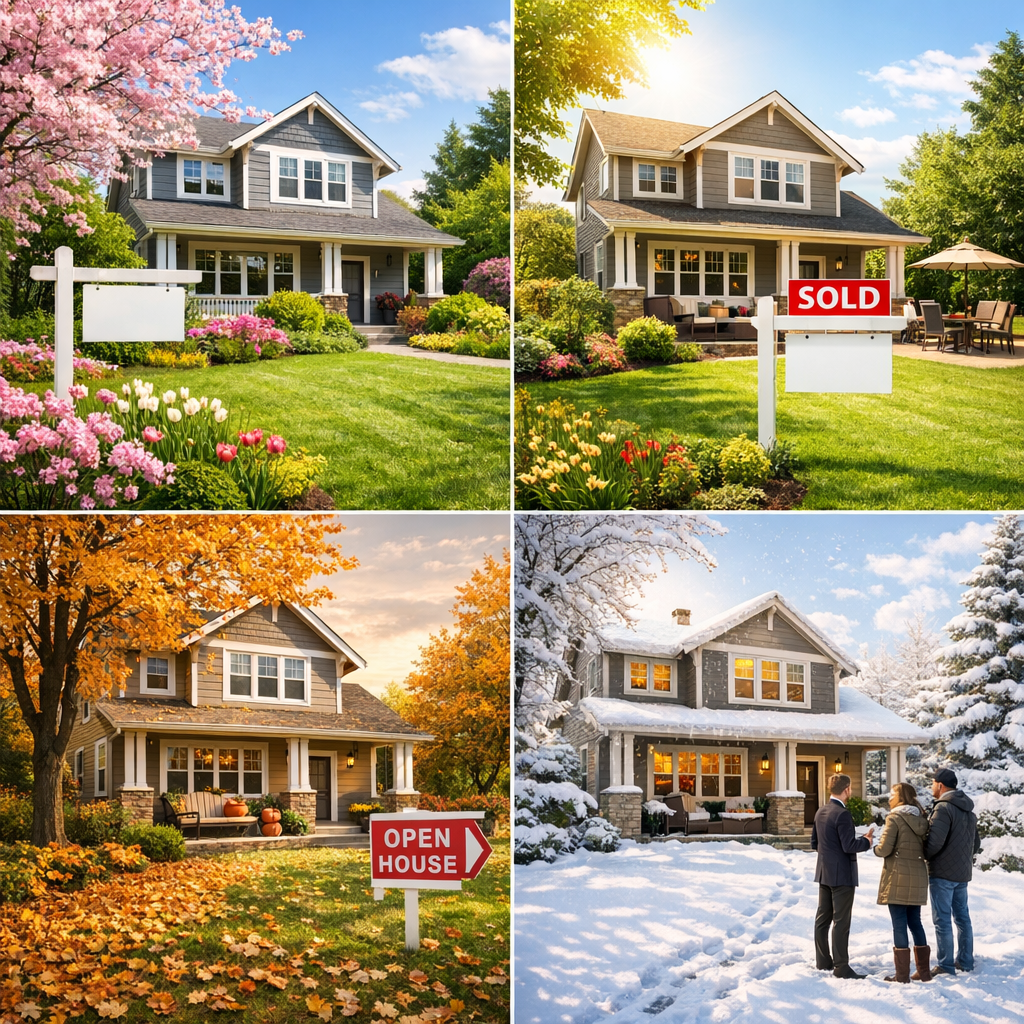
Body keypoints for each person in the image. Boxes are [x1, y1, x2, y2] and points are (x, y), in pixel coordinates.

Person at [811, 773, 876, 979]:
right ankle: (841, 966)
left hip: (824, 872)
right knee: (841, 921)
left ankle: (823, 961)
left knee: (823, 919)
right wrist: (866, 841)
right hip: (842, 877)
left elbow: (815, 843)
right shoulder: (843, 814)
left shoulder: (821, 811)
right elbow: (849, 846)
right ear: (847, 789)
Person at [924, 767, 982, 976]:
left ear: (940, 785)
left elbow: (934, 842)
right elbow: (975, 843)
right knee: (962, 918)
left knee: (942, 920)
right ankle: (966, 961)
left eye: (933, 783)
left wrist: (925, 855)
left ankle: (946, 964)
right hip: (962, 873)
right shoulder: (968, 810)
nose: (931, 787)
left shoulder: (943, 808)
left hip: (942, 873)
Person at [873, 782, 931, 983]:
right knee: (915, 922)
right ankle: (924, 972)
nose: (889, 797)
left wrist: (875, 848)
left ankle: (902, 975)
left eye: (893, 793)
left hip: (898, 876)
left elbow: (885, 849)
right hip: (917, 876)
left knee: (899, 924)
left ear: (901, 797)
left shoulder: (894, 818)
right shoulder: (921, 819)